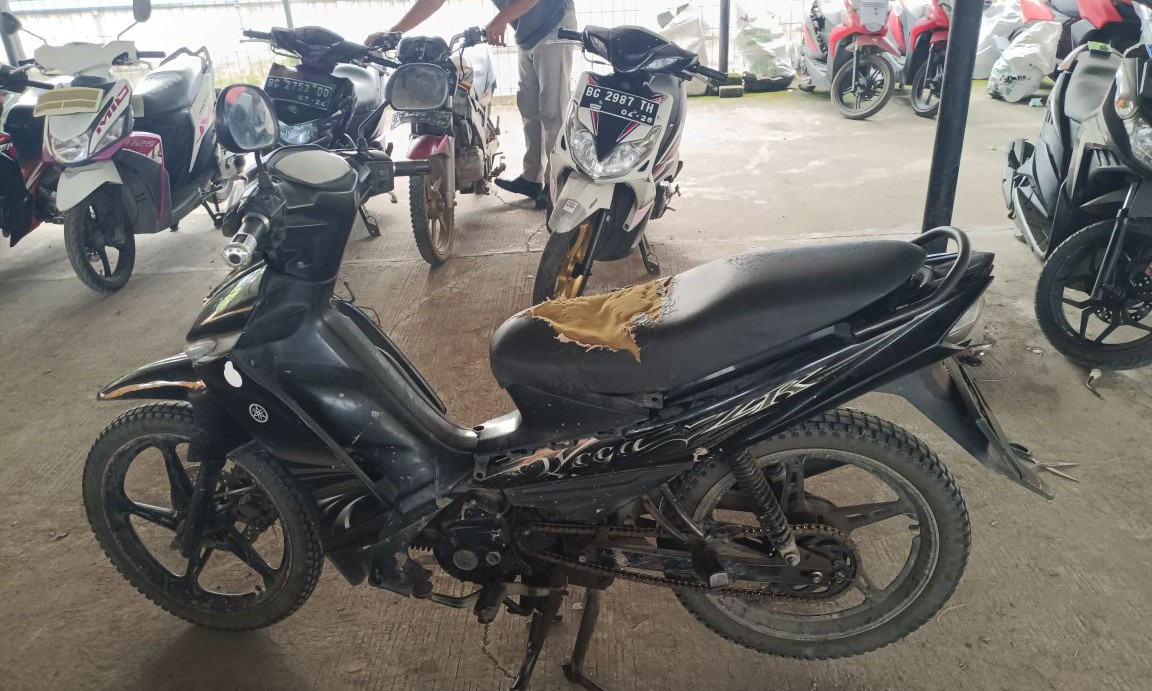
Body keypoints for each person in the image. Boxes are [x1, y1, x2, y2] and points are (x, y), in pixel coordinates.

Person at [367, 0, 576, 209]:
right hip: (528, 31)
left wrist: (501, 19)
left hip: (554, 24)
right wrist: (393, 32)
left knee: (553, 111)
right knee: (529, 110)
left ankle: (556, 185)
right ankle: (532, 179)